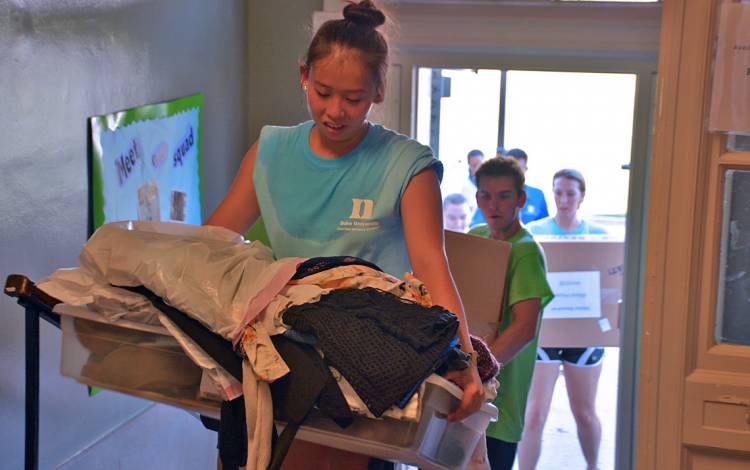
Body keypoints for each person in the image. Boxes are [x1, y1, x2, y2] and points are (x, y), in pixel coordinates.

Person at [206, 1, 484, 467]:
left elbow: (432, 264)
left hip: (369, 367)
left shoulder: (407, 165)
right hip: (283, 357)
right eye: (322, 92)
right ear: (303, 75)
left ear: (379, 88)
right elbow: (212, 243)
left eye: (353, 98)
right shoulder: (271, 152)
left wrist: (466, 358)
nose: (335, 111)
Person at [468, 158, 554, 470]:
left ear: (520, 199)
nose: (494, 205)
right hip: (466, 382)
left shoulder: (526, 251)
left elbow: (523, 328)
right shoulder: (476, 236)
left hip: (498, 394)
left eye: (504, 195)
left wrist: (479, 370)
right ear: (477, 198)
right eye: (486, 196)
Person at [519, 169, 606, 470]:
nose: (563, 199)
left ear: (582, 196)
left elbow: (608, 289)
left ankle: (593, 465)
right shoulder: (534, 232)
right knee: (534, 414)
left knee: (584, 412)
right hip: (545, 334)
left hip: (584, 337)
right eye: (558, 192)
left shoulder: (599, 236)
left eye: (570, 193)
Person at [503, 148, 549, 225]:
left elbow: (544, 227)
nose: (514, 174)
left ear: (525, 169)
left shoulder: (537, 195)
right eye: (510, 169)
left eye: (519, 169)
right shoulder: (491, 195)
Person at [460, 149, 486, 227]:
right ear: (469, 166)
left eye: (480, 165)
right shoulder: (465, 186)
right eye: (474, 165)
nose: (478, 168)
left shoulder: (492, 184)